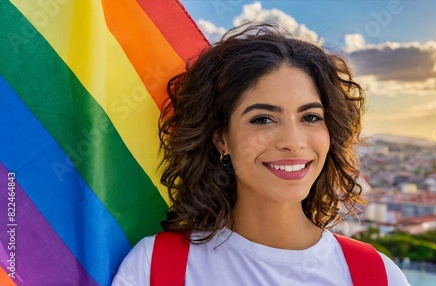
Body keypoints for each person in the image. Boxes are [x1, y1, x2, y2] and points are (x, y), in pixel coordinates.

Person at [112, 23, 410, 285]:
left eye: (310, 117)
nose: (293, 142)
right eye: (263, 119)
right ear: (221, 139)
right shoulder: (155, 268)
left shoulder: (377, 276)